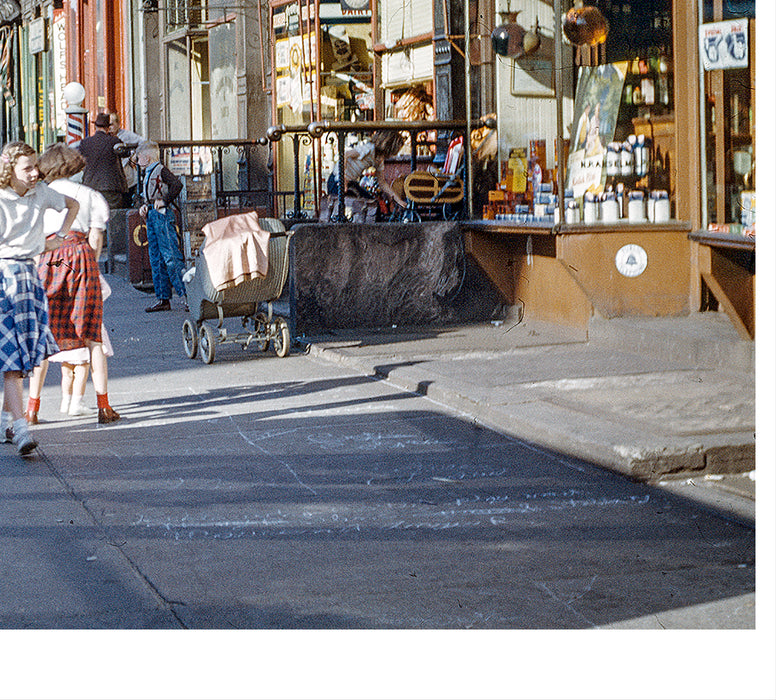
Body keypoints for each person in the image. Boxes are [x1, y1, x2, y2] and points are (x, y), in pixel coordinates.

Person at [25, 143, 120, 426]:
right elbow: (96, 241)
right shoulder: (90, 195)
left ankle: (32, 409)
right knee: (93, 334)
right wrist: (89, 266)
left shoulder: (36, 195)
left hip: (48, 257)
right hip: (80, 256)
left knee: (43, 334)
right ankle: (104, 407)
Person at [0, 141, 79, 455]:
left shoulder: (42, 192)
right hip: (4, 276)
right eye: (27, 168)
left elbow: (72, 205)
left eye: (36, 166)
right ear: (10, 171)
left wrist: (59, 238)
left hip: (28, 277)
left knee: (17, 357)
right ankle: (20, 429)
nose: (35, 173)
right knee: (12, 361)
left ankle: (8, 421)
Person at [135, 141, 187, 312]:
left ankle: (185, 295)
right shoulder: (152, 171)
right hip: (153, 213)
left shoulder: (160, 170)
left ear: (147, 157)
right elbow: (151, 194)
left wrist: (164, 200)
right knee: (157, 257)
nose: (137, 160)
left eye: (139, 157)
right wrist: (145, 205)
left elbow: (177, 185)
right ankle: (163, 297)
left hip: (161, 214)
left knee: (170, 255)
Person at [327, 130, 407, 209]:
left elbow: (382, 183)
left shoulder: (378, 159)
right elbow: (345, 155)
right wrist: (342, 179)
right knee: (342, 209)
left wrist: (398, 200)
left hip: (349, 182)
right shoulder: (368, 149)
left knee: (372, 204)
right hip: (337, 180)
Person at [77, 112, 128, 210]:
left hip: (90, 186)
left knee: (94, 218)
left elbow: (79, 161)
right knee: (112, 218)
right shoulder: (114, 141)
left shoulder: (85, 143)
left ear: (95, 127)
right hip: (111, 188)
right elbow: (125, 153)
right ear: (108, 128)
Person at [108, 112, 144, 207]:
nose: (110, 127)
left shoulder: (127, 135)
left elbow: (144, 143)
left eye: (111, 124)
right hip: (113, 181)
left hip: (127, 179)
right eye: (108, 125)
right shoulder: (106, 138)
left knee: (127, 204)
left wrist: (134, 154)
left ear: (118, 124)